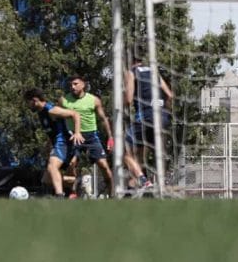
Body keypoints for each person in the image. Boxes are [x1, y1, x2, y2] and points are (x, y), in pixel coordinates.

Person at [124, 54, 174, 189]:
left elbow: (128, 99)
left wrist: (119, 104)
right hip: (163, 117)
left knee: (124, 150)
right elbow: (170, 96)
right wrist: (166, 112)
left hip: (147, 116)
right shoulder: (154, 72)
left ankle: (142, 180)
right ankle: (146, 181)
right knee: (141, 148)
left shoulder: (131, 72)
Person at [24, 88, 85, 198]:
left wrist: (77, 133)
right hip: (58, 143)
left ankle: (59, 196)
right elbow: (52, 131)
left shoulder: (51, 110)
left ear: (34, 100)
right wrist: (48, 146)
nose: (28, 106)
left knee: (52, 167)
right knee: (46, 180)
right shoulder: (41, 113)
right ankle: (75, 181)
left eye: (28, 103)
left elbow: (75, 114)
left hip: (64, 142)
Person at [60, 75, 114, 197]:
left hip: (91, 136)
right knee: (71, 164)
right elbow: (56, 117)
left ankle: (112, 195)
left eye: (75, 84)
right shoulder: (64, 100)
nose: (72, 86)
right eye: (71, 84)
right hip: (73, 135)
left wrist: (110, 137)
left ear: (83, 85)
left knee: (104, 167)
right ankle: (72, 193)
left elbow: (103, 119)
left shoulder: (94, 100)